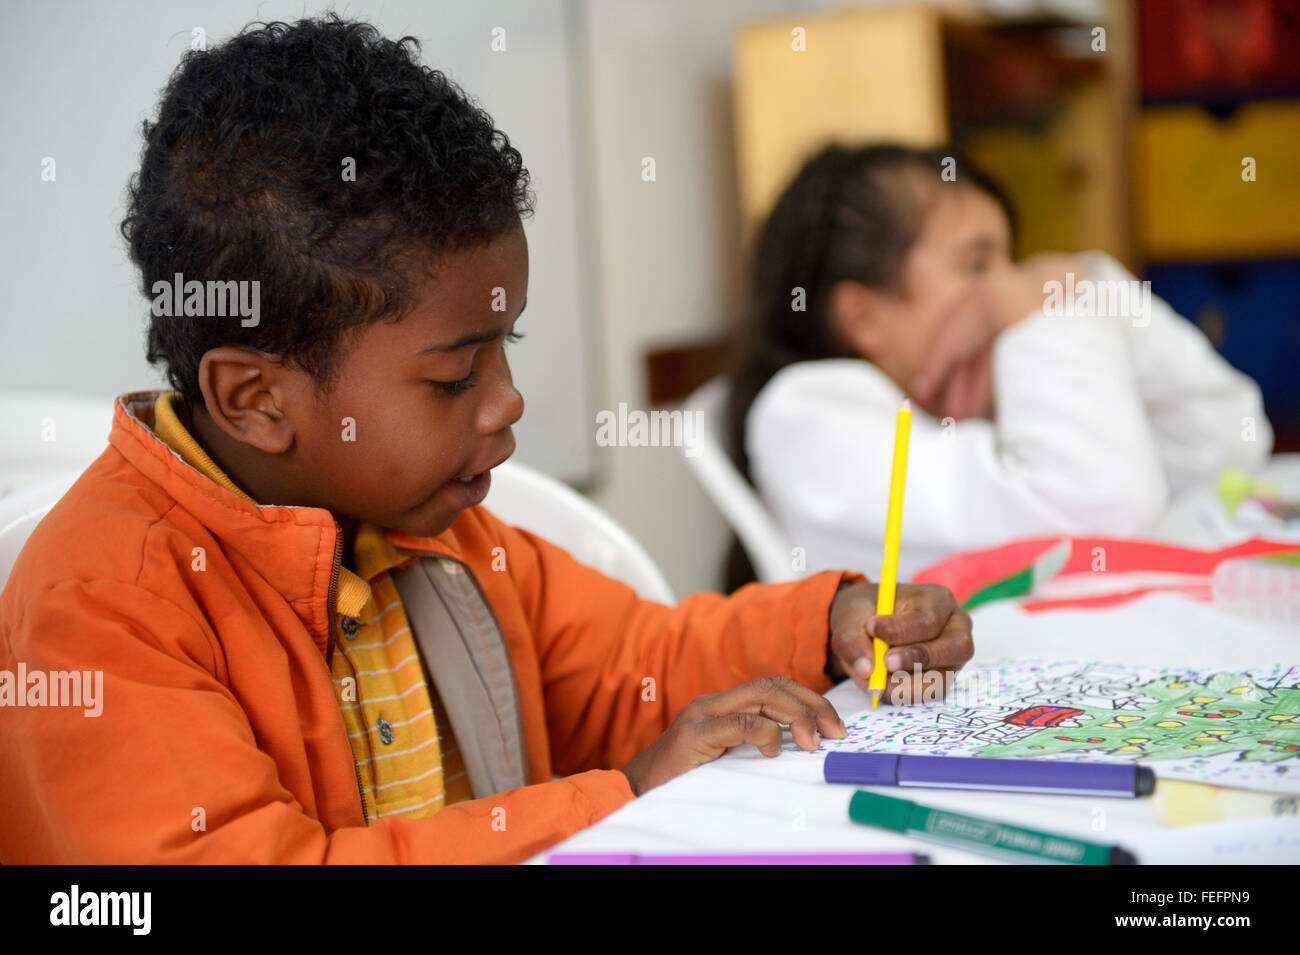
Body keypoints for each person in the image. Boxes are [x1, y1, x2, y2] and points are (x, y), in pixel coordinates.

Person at [0, 18, 972, 864]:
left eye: (505, 349)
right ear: (256, 397)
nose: (505, 404)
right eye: (453, 376)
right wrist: (618, 801)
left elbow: (635, 660)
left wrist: (832, 623)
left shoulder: (436, 530)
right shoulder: (99, 607)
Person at [724, 144, 1273, 587]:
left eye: (1014, 263)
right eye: (978, 264)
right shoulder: (804, 418)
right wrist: (1040, 313)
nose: (1009, 289)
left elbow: (1224, 443)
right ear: (864, 317)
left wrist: (1086, 285)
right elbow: (1106, 519)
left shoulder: (994, 395)